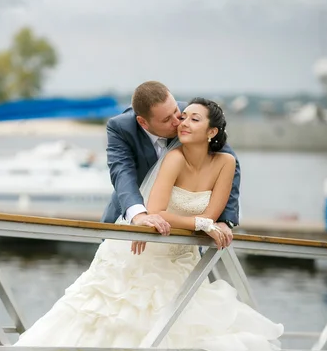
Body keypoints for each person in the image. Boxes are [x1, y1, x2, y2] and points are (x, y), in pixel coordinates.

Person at [0, 96, 284, 351]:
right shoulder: (160, 150)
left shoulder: (226, 161)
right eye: (180, 117)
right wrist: (199, 224)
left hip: (178, 259)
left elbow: (216, 211)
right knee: (108, 322)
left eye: (191, 118)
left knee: (176, 334)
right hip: (139, 249)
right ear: (145, 120)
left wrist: (218, 223)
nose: (182, 123)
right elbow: (158, 208)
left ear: (213, 131)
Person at [101, 81, 240, 248]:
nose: (178, 122)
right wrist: (139, 216)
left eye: (176, 111)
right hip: (130, 224)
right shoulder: (121, 128)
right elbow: (122, 173)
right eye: (167, 119)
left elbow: (227, 162)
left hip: (183, 237)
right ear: (143, 123)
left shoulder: (191, 116)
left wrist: (224, 220)